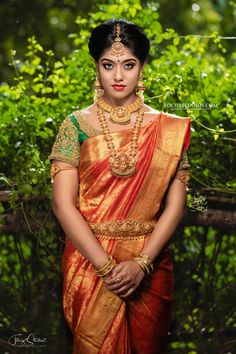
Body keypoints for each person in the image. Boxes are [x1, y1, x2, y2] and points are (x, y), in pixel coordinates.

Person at [49, 18, 190, 354]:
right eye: (107, 65)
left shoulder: (167, 128)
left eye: (128, 65)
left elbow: (175, 206)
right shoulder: (76, 125)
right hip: (90, 261)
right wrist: (107, 267)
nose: (117, 75)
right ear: (96, 68)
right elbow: (62, 205)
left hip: (151, 260)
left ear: (141, 68)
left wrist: (142, 263)